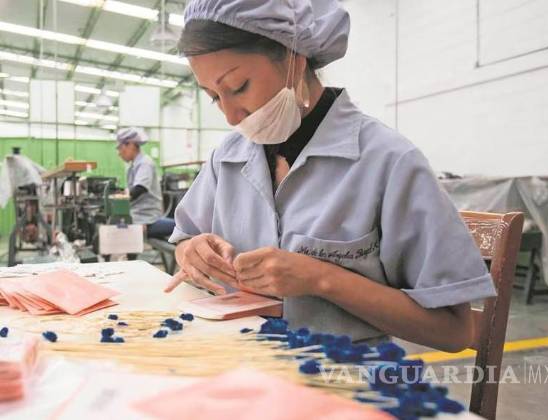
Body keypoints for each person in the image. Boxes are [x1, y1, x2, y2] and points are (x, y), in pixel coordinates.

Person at [165, 0, 497, 350]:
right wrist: (191, 251)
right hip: (241, 360)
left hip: (342, 372)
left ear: (293, 59)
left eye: (239, 87)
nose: (232, 116)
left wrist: (321, 278)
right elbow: (186, 238)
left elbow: (453, 331)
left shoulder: (388, 161)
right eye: (214, 97)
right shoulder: (227, 158)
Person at [116, 128, 175, 239]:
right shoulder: (133, 166)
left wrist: (119, 198)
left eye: (120, 147)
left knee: (183, 227)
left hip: (148, 219)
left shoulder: (144, 163)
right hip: (138, 215)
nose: (119, 153)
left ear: (131, 145)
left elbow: (140, 188)